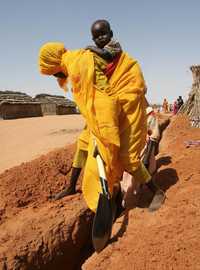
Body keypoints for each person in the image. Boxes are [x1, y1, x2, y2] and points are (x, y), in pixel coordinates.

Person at [38, 41, 163, 214]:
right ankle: (71, 187)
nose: (56, 77)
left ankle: (156, 191)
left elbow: (106, 97)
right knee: (83, 144)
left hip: (125, 109)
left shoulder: (78, 63)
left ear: (54, 64)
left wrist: (105, 129)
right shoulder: (75, 62)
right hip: (101, 113)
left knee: (128, 159)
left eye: (52, 73)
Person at [53, 20, 122, 200]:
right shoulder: (89, 57)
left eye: (104, 34)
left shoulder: (112, 49)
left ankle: (112, 190)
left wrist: (91, 49)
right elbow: (75, 71)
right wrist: (57, 70)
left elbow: (107, 56)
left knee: (108, 151)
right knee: (81, 147)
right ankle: (70, 187)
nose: (101, 38)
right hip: (94, 111)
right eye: (97, 36)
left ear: (111, 33)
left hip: (106, 109)